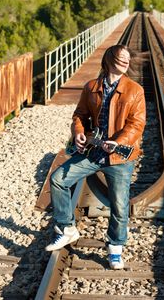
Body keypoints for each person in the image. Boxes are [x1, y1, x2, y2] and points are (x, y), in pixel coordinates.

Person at [45, 44, 146, 270]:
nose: (126, 61)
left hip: (120, 157)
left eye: (128, 58)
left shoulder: (135, 90)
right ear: (109, 59)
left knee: (119, 205)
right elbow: (79, 115)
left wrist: (118, 142)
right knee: (58, 179)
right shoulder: (91, 87)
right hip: (93, 152)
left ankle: (115, 249)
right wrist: (78, 133)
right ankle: (67, 228)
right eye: (121, 57)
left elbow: (137, 124)